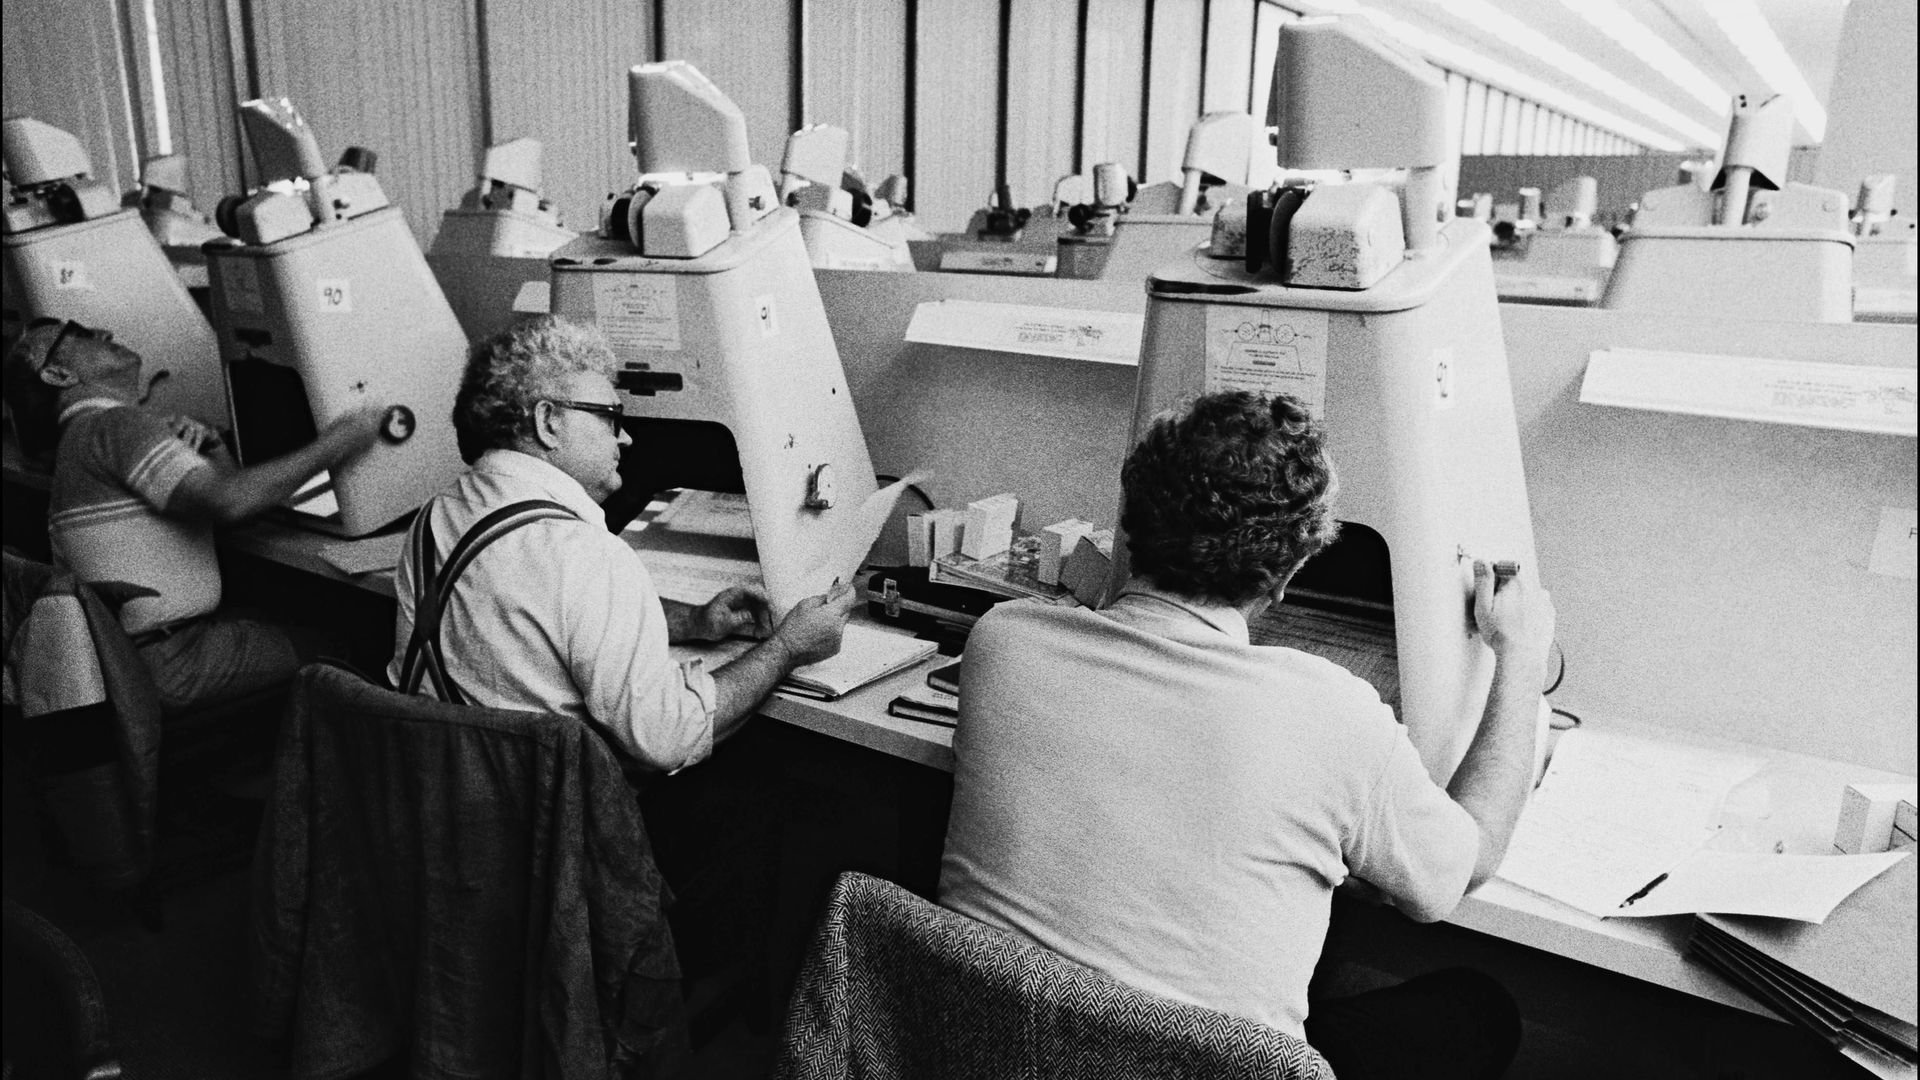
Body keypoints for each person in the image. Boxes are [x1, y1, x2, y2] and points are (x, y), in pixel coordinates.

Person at [938, 390, 1553, 1080]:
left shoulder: (1003, 644)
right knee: (1478, 1005)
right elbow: (1460, 870)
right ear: (1289, 573)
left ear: (1130, 521)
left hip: (996, 1054)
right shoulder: (1336, 716)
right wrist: (1522, 660)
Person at [387, 314, 858, 772]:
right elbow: (668, 738)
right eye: (610, 418)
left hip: (433, 810)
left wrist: (693, 620)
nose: (627, 437)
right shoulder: (586, 554)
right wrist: (786, 648)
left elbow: (548, 619)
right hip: (545, 835)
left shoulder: (435, 518)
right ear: (548, 422)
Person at [2, 317, 387, 713]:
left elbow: (230, 506)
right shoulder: (113, 424)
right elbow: (232, 503)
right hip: (169, 660)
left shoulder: (81, 437)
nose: (105, 334)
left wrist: (215, 449)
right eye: (80, 334)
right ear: (57, 373)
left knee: (277, 614)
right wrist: (343, 439)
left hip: (128, 660)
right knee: (356, 640)